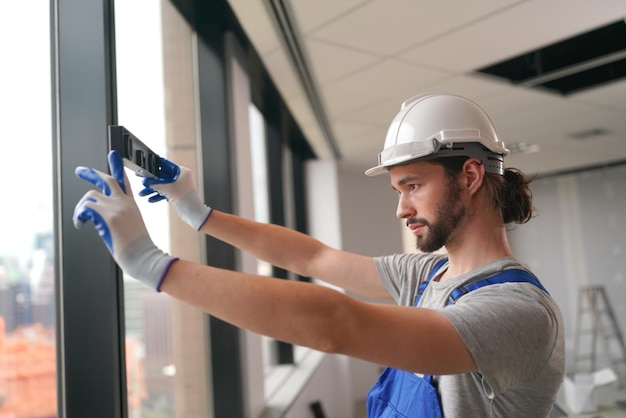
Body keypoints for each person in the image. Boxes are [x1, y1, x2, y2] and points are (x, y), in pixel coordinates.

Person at [73, 92, 565, 417]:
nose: (401, 209)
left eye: (412, 185)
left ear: (471, 176)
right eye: (398, 190)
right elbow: (314, 259)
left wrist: (152, 264)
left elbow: (336, 325)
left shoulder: (518, 313)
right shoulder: (429, 272)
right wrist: (195, 210)